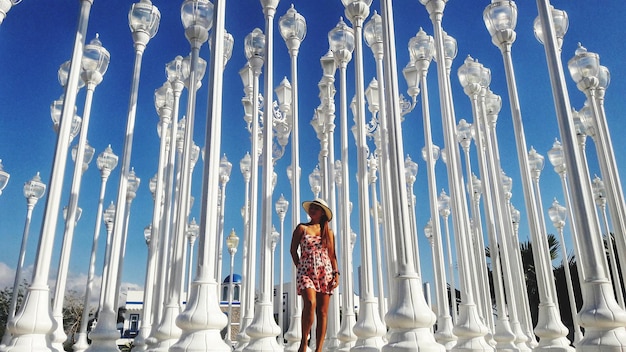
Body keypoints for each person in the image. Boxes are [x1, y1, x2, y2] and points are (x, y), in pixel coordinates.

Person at [290, 198, 339, 352]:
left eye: (316, 208)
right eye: (311, 207)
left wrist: (336, 273)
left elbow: (332, 255)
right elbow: (293, 250)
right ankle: (304, 342)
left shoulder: (328, 232)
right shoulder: (301, 228)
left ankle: (318, 349)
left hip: (325, 272)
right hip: (306, 272)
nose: (312, 210)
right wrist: (300, 267)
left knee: (323, 312)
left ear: (322, 213)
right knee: (310, 303)